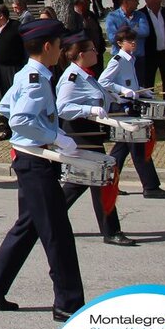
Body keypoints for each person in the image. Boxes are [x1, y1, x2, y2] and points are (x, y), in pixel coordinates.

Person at [0, 18, 85, 323]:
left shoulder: (29, 74)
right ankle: (67, 302)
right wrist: (54, 136)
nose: (62, 50)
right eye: (60, 45)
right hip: (36, 161)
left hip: (29, 159)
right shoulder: (36, 79)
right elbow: (19, 120)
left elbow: (5, 106)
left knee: (29, 226)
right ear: (48, 47)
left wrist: (41, 135)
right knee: (57, 234)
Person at [55, 32, 136, 246]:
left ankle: (41, 222)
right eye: (92, 49)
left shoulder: (86, 74)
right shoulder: (72, 78)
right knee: (95, 183)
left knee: (85, 184)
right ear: (81, 54)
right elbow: (62, 107)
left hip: (90, 137)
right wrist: (88, 108)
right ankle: (111, 231)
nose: (96, 52)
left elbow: (101, 97)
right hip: (81, 137)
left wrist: (118, 97)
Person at [97, 27, 165, 198]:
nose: (133, 43)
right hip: (123, 107)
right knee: (139, 147)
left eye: (134, 40)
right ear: (119, 43)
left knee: (121, 150)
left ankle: (109, 183)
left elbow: (132, 84)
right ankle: (150, 187)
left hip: (131, 105)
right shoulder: (117, 60)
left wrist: (142, 91)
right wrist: (123, 90)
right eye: (129, 41)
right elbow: (103, 81)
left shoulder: (131, 59)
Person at [0, 4, 25, 141]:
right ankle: (7, 128)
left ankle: (20, 128)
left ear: (1, 16)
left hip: (14, 68)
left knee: (16, 98)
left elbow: (25, 47)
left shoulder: (17, 27)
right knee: (3, 98)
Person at [104, 0, 150, 81]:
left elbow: (145, 31)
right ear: (126, 2)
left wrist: (124, 30)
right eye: (135, 1)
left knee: (139, 86)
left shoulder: (140, 15)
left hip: (138, 58)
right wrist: (135, 29)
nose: (138, 3)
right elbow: (112, 38)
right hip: (121, 59)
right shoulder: (112, 17)